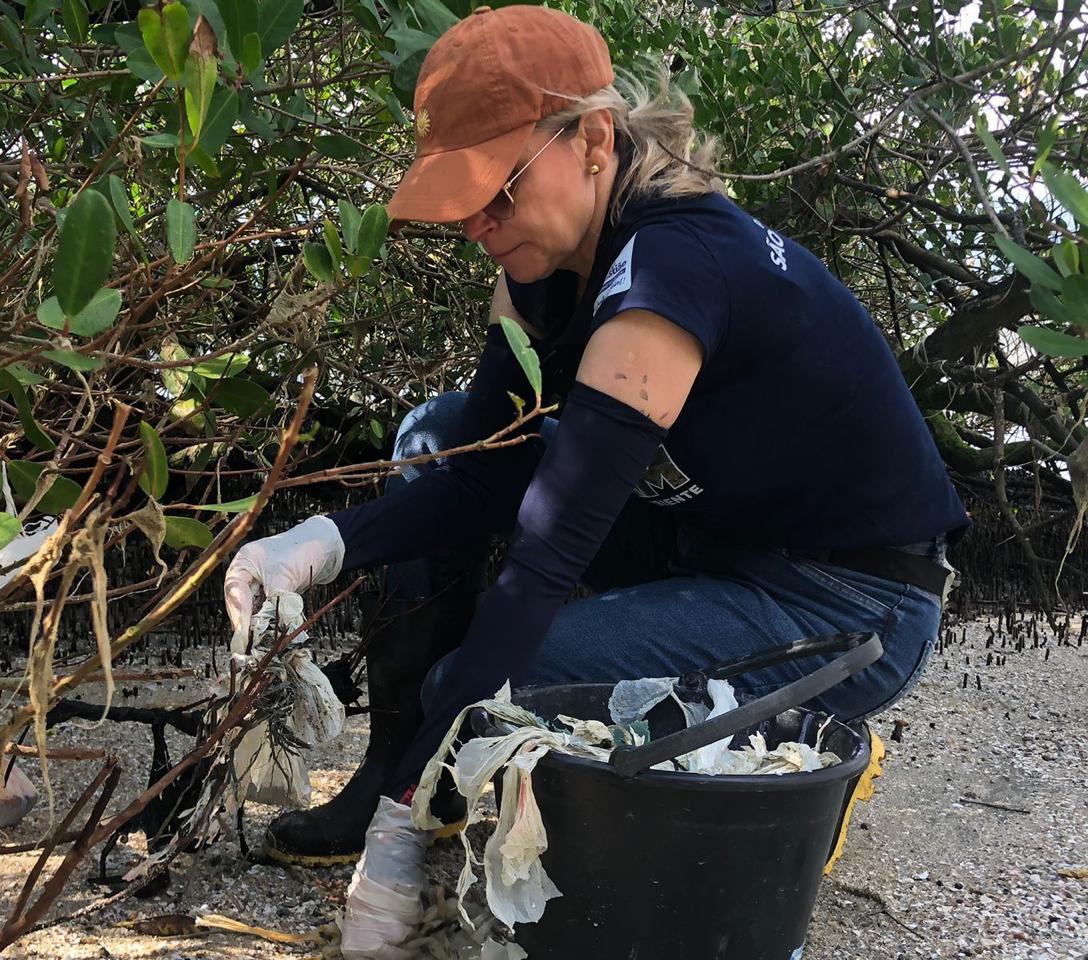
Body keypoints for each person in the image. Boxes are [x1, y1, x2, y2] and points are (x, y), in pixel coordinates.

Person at [224, 0, 967, 913]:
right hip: (702, 537)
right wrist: (319, 542)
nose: (479, 223)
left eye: (500, 188)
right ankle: (398, 759)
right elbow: (483, 471)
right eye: (463, 201)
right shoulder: (539, 270)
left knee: (521, 682)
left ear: (592, 138)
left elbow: (548, 553)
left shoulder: (671, 268)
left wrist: (409, 820)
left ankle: (785, 758)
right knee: (434, 428)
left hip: (850, 601)